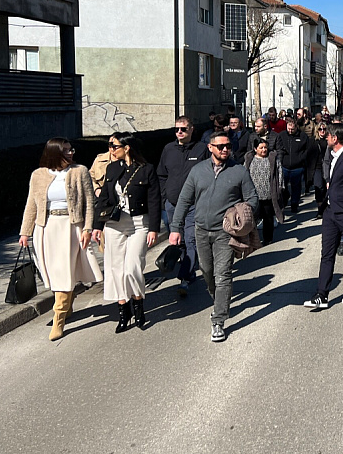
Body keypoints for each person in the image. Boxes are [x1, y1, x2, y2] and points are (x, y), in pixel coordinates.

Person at [170, 131, 259, 342]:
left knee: (223, 274)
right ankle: (221, 301)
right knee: (207, 272)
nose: (225, 149)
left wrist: (240, 215)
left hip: (225, 233)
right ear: (210, 148)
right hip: (200, 230)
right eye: (220, 146)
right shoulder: (197, 171)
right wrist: (176, 228)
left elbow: (252, 199)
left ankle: (218, 320)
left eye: (228, 145)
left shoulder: (239, 171)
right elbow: (184, 200)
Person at [19, 138, 102, 341]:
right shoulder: (38, 175)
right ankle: (68, 303)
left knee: (64, 270)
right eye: (66, 150)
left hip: (71, 226)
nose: (71, 153)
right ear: (54, 153)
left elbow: (90, 202)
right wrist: (25, 232)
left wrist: (88, 228)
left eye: (71, 149)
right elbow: (31, 204)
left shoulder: (79, 171)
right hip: (45, 228)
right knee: (55, 271)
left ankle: (58, 318)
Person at [92, 132, 161, 333]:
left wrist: (154, 228)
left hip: (139, 223)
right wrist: (97, 226)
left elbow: (155, 200)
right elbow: (104, 198)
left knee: (132, 267)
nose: (111, 149)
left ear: (127, 147)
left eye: (114, 146)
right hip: (114, 224)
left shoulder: (146, 169)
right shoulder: (112, 168)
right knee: (115, 269)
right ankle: (123, 310)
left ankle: (138, 304)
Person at [304, 122, 343, 309]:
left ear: (335, 138)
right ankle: (322, 294)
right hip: (330, 213)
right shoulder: (332, 156)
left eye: (328, 135)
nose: (326, 137)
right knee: (327, 254)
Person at [157, 116, 209, 295]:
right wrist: (165, 195)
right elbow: (161, 174)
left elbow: (209, 173)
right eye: (177, 129)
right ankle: (189, 269)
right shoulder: (168, 149)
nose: (179, 132)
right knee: (178, 240)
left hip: (194, 204)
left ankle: (185, 277)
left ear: (191, 130)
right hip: (172, 203)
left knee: (190, 239)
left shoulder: (201, 149)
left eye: (183, 129)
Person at [244, 138, 284, 245]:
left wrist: (280, 187)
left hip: (268, 194)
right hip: (254, 195)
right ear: (255, 149)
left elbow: (279, 173)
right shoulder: (250, 159)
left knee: (268, 218)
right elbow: (244, 174)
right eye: (261, 148)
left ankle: (268, 238)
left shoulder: (272, 159)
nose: (264, 150)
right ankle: (253, 239)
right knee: (252, 218)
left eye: (265, 147)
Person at [278, 117, 309, 214]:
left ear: (296, 128)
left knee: (296, 187)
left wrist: (301, 159)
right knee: (283, 188)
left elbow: (307, 150)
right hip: (285, 166)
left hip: (297, 167)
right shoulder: (282, 135)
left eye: (292, 129)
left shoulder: (303, 136)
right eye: (288, 129)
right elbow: (279, 148)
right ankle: (283, 203)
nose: (290, 131)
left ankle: (294, 204)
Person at [89, 132, 118, 198]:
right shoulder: (99, 160)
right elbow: (90, 177)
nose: (112, 147)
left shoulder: (128, 162)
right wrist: (96, 189)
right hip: (102, 198)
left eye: (115, 145)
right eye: (110, 144)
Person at [313, 123, 329, 219]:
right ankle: (320, 210)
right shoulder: (314, 141)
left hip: (328, 167)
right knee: (319, 187)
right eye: (320, 129)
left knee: (327, 188)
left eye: (324, 129)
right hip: (317, 167)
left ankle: (326, 208)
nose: (322, 131)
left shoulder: (329, 141)